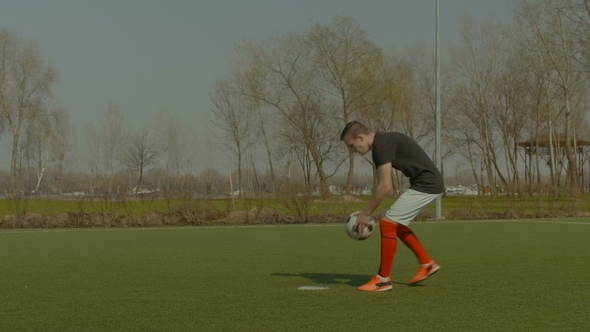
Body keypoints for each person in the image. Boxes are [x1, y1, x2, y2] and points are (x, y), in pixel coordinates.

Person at [340, 121, 444, 292]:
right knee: (396, 225)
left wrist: (365, 213)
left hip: (427, 184)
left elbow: (385, 186)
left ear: (360, 138)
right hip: (426, 183)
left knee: (387, 223)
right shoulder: (382, 142)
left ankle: (383, 280)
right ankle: (427, 263)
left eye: (351, 145)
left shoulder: (381, 146)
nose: (352, 150)